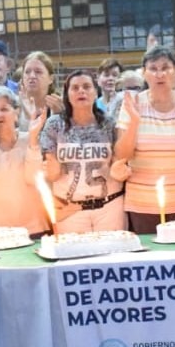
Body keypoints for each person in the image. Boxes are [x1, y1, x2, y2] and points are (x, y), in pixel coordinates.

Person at [115, 46, 175, 234]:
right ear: (144, 73)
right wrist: (133, 122)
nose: (160, 74)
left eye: (166, 68)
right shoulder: (132, 104)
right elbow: (122, 155)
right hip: (143, 202)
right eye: (153, 69)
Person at [39, 72, 127, 233]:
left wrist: (122, 170)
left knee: (113, 256)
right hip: (69, 208)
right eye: (75, 88)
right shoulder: (54, 124)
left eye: (87, 87)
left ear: (95, 92)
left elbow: (118, 163)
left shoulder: (109, 124)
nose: (81, 91)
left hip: (109, 205)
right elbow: (51, 172)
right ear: (67, 94)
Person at [0, 87, 49, 236]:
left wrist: (33, 139)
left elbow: (33, 178)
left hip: (33, 228)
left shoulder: (30, 138)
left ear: (16, 112)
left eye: (4, 109)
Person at [18, 51, 64, 130]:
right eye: (27, 72)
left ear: (51, 79)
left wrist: (61, 116)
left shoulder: (60, 106)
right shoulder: (14, 107)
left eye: (38, 72)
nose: (32, 76)